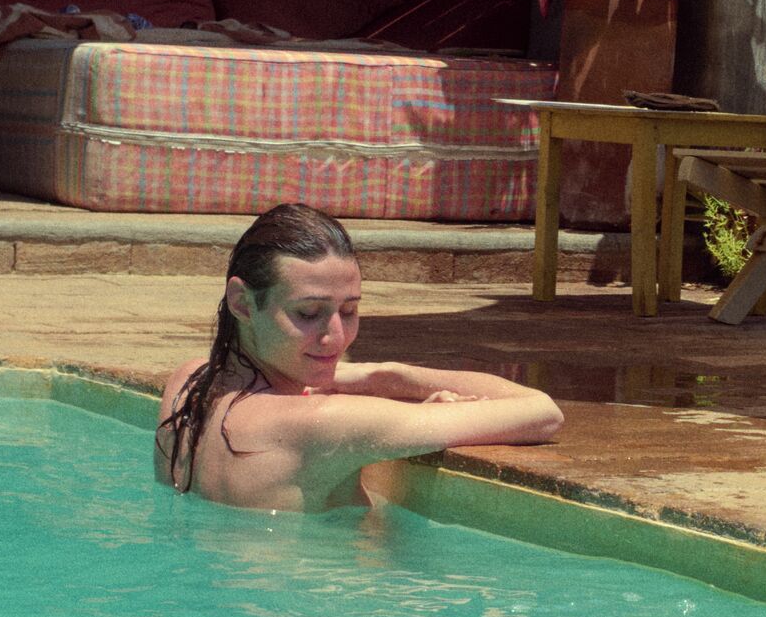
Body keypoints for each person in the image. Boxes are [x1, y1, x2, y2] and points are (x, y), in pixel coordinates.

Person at [156, 202, 564, 510]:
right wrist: (389, 376)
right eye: (309, 313)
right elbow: (542, 412)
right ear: (242, 302)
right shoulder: (325, 423)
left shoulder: (188, 385)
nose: (337, 336)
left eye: (349, 311)